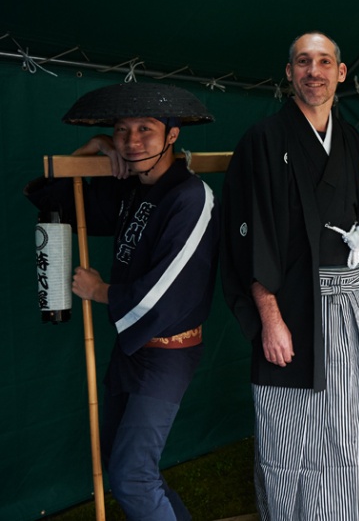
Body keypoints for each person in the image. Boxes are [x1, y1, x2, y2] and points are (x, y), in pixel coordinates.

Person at [220, 32, 359, 520]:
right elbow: (250, 234)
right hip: (294, 308)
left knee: (354, 424)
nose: (314, 72)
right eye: (303, 62)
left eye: (324, 62)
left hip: (350, 305)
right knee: (290, 430)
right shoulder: (264, 139)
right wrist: (269, 318)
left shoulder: (347, 139)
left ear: (341, 73)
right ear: (289, 73)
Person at [25, 82, 219, 518]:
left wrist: (100, 291)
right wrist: (88, 153)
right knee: (123, 462)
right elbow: (52, 200)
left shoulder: (191, 197)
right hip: (131, 349)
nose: (131, 142)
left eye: (145, 130)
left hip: (168, 353)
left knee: (131, 476)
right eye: (121, 130)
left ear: (172, 134)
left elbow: (167, 289)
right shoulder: (129, 187)